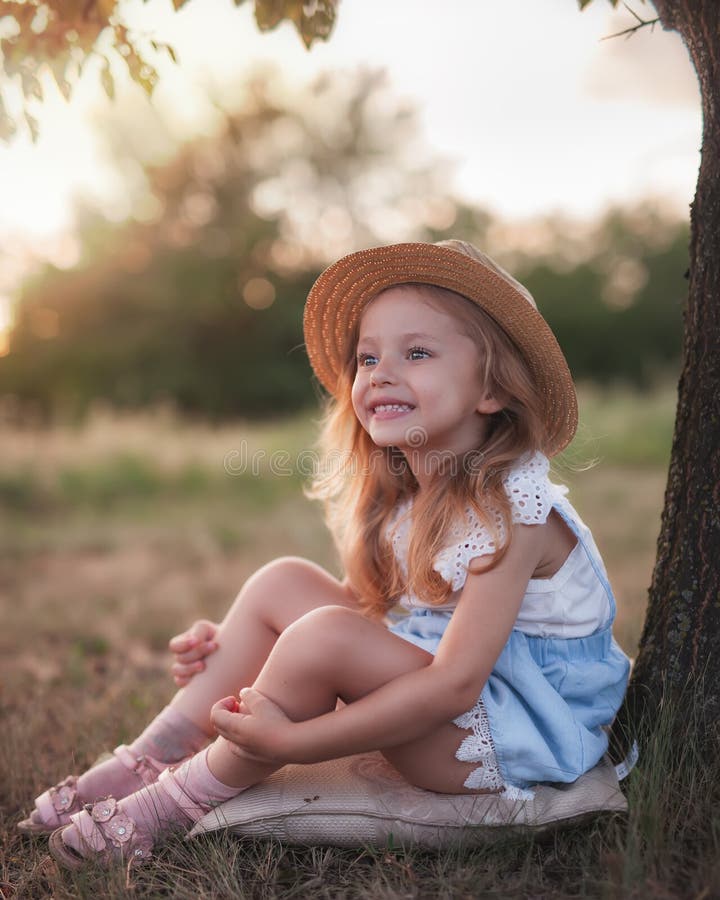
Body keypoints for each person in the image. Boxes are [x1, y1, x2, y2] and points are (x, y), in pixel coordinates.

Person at [18, 240, 630, 867]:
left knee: (324, 637)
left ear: (493, 389)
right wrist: (232, 648)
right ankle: (155, 753)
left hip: (509, 730)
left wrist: (298, 742)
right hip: (453, 695)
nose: (381, 372)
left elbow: (452, 684)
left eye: (416, 352)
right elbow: (375, 612)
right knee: (282, 582)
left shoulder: (514, 508)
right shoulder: (408, 497)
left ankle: (174, 803)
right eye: (368, 357)